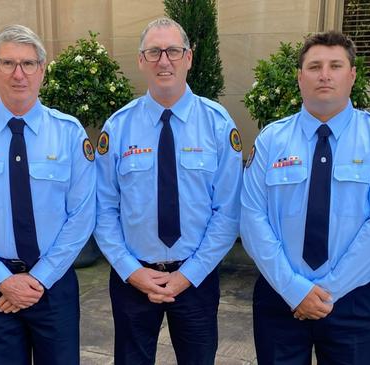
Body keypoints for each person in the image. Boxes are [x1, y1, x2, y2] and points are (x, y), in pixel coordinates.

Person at [240, 31, 370, 364]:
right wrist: (295, 290)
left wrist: (328, 290)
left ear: (352, 75)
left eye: (336, 65)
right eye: (314, 66)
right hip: (280, 297)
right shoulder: (272, 139)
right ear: (300, 77)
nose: (325, 74)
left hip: (354, 300)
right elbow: (251, 217)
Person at [94, 17, 242, 365]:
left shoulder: (218, 125)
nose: (164, 61)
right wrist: (131, 270)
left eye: (173, 51)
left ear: (189, 58)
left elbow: (229, 210)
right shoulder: (118, 127)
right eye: (154, 52)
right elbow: (103, 209)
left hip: (196, 277)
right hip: (134, 278)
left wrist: (188, 275)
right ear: (141, 61)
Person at [0, 24, 96, 364]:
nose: (19, 74)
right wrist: (3, 280)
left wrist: (37, 279)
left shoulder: (68, 132)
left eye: (28, 64)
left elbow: (82, 215)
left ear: (42, 69)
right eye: (8, 63)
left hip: (54, 281)